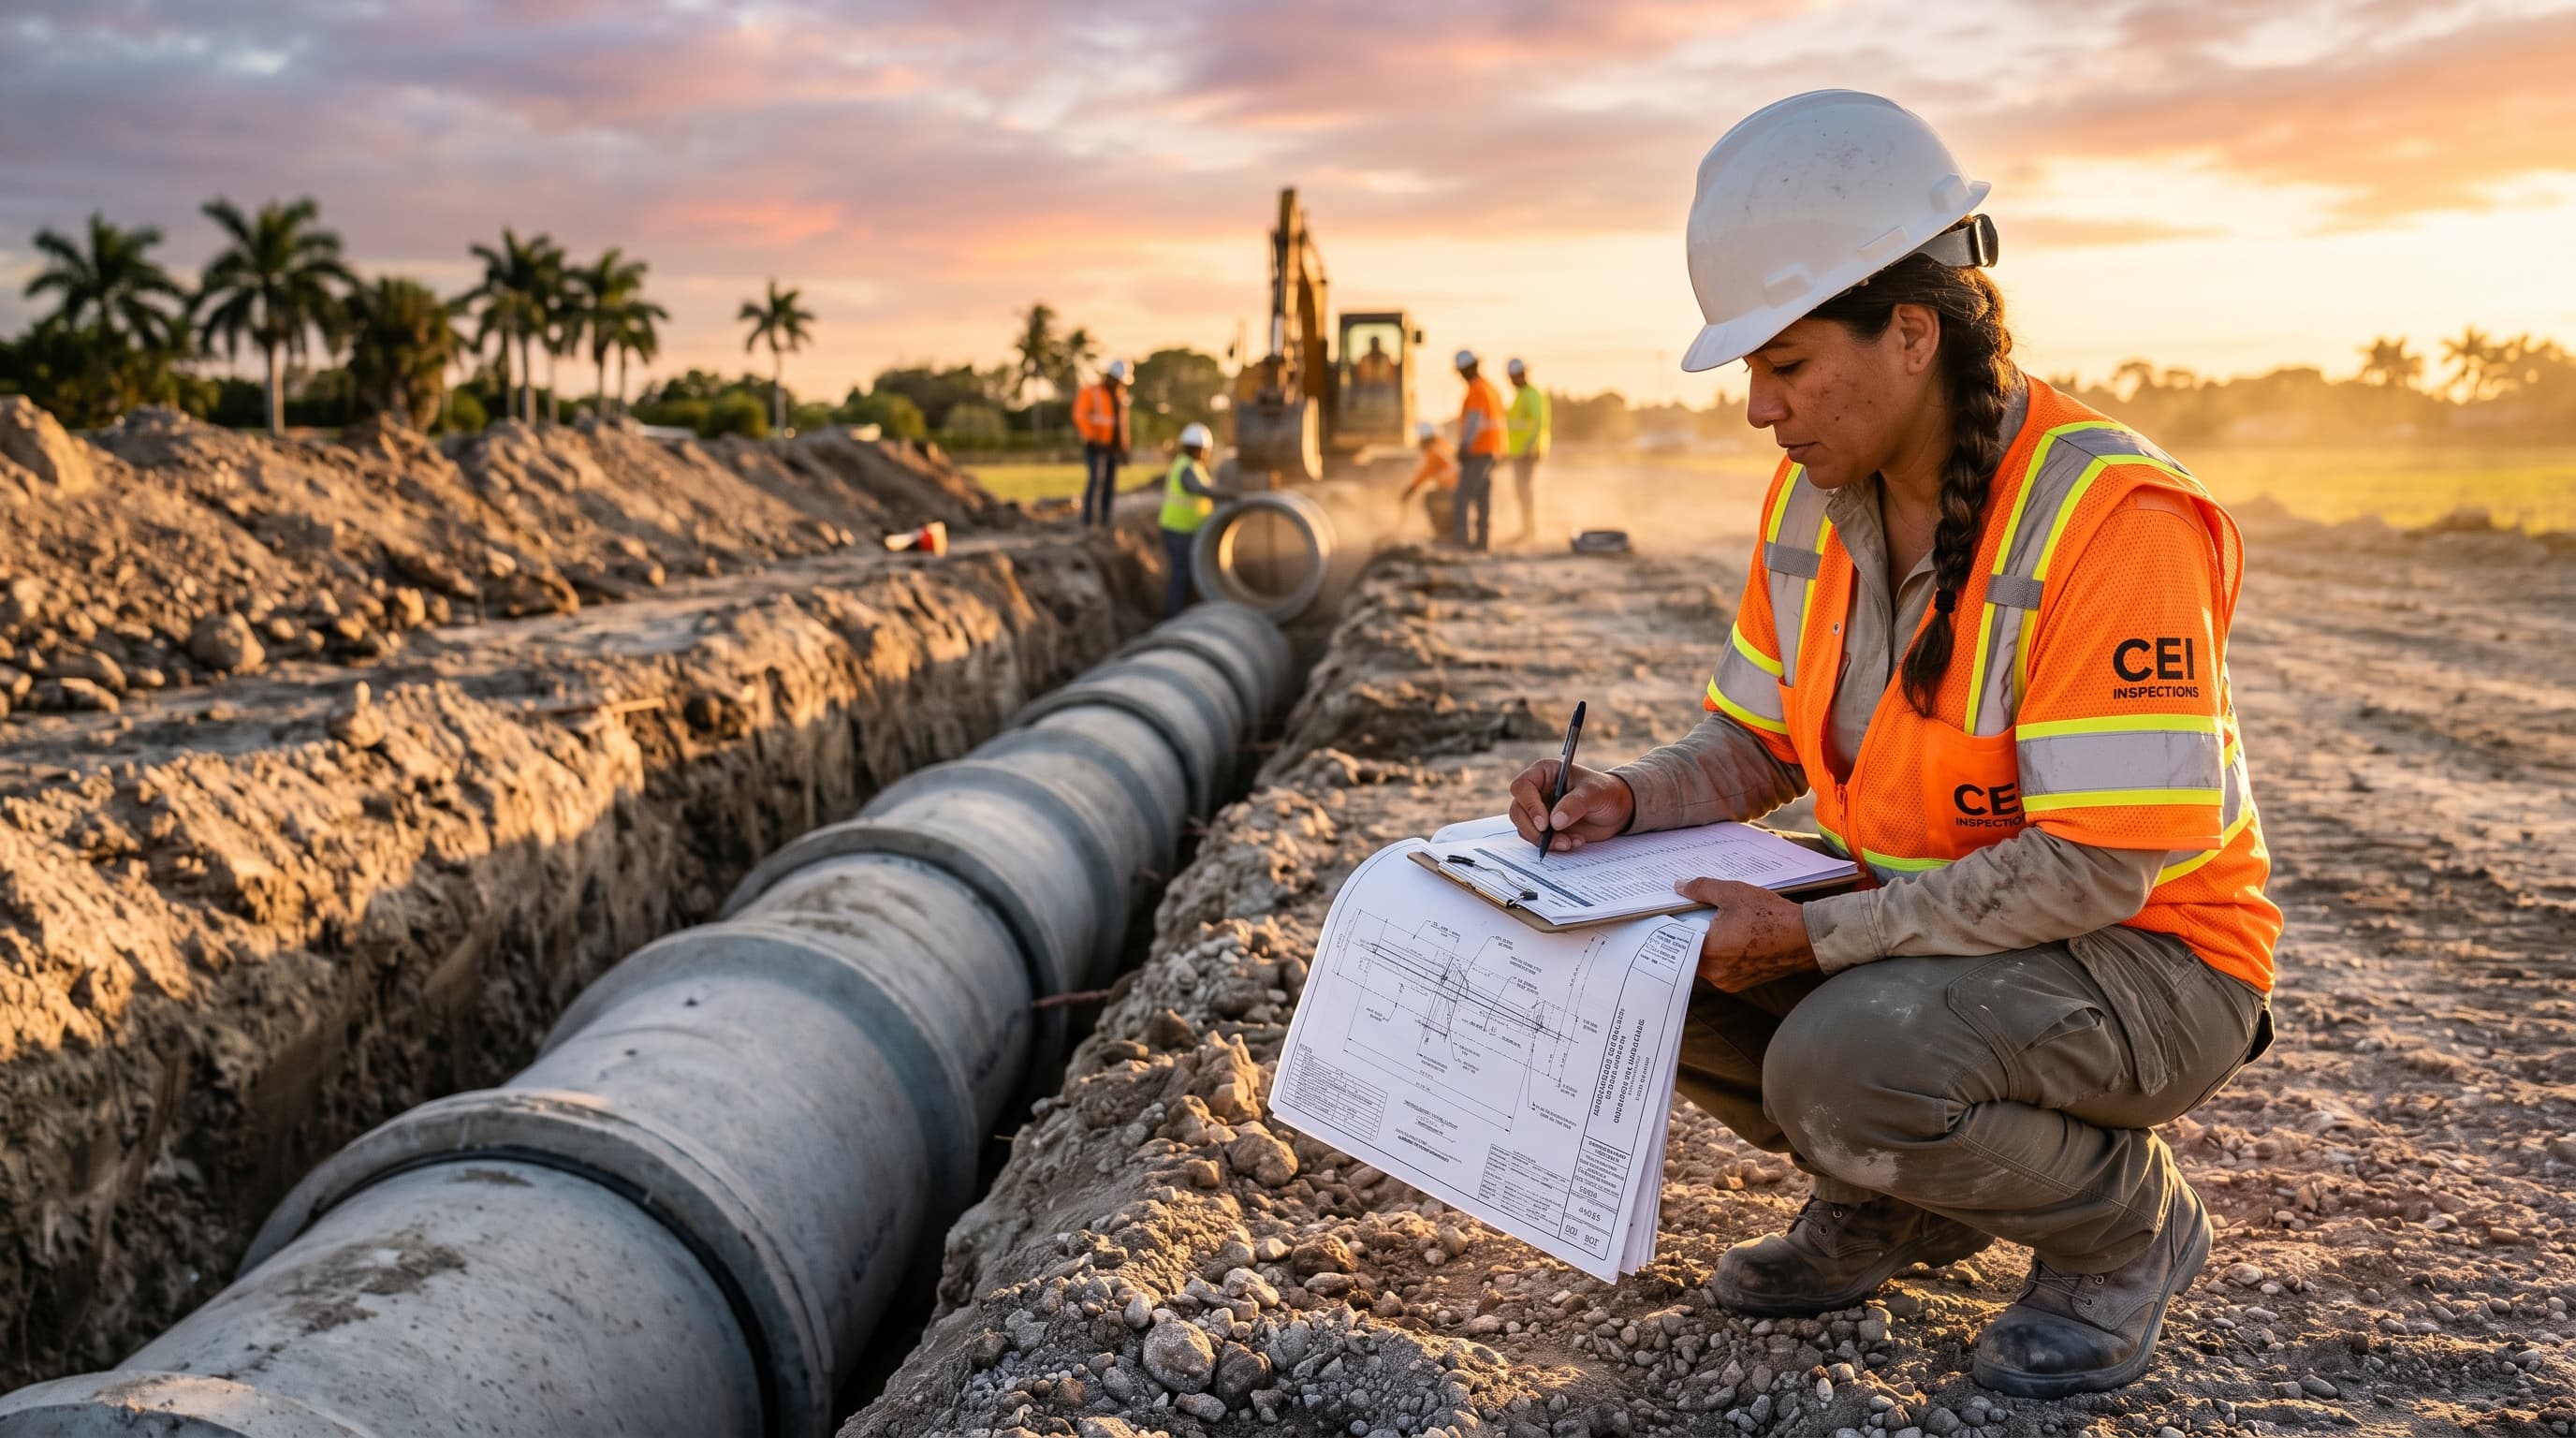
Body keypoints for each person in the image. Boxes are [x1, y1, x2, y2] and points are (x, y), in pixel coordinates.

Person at [1505, 90, 2278, 1399]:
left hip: (2153, 957)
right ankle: (1900, 1202)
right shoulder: (1813, 507)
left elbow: (2098, 869)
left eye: (1787, 365)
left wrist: (1813, 938)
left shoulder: (2111, 515)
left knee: (1841, 1064)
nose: (1760, 408)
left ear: (1912, 331)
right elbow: (1754, 743)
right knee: (1644, 958)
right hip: (1943, 925)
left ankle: (2125, 1229)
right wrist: (1624, 806)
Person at [1157, 422, 1222, 618]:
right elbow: (1199, 489)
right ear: (1200, 449)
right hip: (1179, 531)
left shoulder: (1190, 466)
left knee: (1188, 573)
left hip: (1184, 530)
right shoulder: (1187, 468)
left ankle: (1183, 612)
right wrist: (1227, 494)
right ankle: (1173, 616)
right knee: (1181, 574)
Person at [1452, 349, 1507, 550]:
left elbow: (1475, 420)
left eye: (1462, 371)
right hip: (1493, 449)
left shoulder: (1476, 389)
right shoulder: (1490, 388)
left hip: (1480, 449)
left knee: (1462, 495)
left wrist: (1465, 446)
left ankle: (1461, 541)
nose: (1460, 375)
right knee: (1483, 496)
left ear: (1469, 368)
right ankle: (1483, 542)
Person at [1074, 359, 1132, 528]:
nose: (1120, 384)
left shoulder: (1120, 397)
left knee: (1109, 484)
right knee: (1096, 481)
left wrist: (1125, 448)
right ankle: (1089, 521)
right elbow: (1080, 416)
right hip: (1096, 447)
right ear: (1110, 377)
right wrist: (1092, 438)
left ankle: (1105, 520)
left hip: (1112, 448)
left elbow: (1122, 425)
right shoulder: (1091, 392)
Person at [1503, 357, 1551, 544]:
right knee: (1521, 490)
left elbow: (1539, 423)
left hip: (1527, 452)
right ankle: (1526, 529)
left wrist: (1531, 446)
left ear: (1521, 374)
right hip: (1518, 451)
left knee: (1525, 491)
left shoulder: (1532, 395)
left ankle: (1529, 531)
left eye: (1513, 377)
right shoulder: (1521, 395)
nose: (1511, 381)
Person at [1399, 419, 1458, 539]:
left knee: (1431, 498)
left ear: (1425, 438)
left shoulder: (1434, 452)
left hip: (1452, 489)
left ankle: (1443, 533)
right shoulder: (1443, 446)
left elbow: (1425, 473)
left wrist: (1410, 490)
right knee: (1437, 499)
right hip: (1458, 487)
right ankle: (1449, 531)